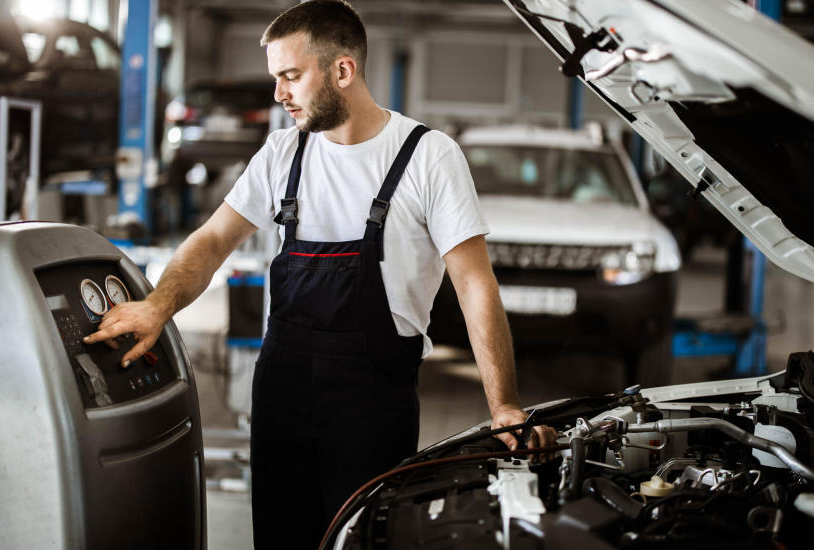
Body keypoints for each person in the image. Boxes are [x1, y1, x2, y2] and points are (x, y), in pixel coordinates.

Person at [84, 1, 557, 547]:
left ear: (342, 71)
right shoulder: (284, 152)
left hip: (373, 404)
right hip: (282, 390)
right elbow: (213, 239)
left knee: (360, 539)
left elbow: (475, 285)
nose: (278, 94)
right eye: (275, 78)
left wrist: (504, 406)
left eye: (290, 76)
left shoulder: (428, 158)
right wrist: (158, 303)